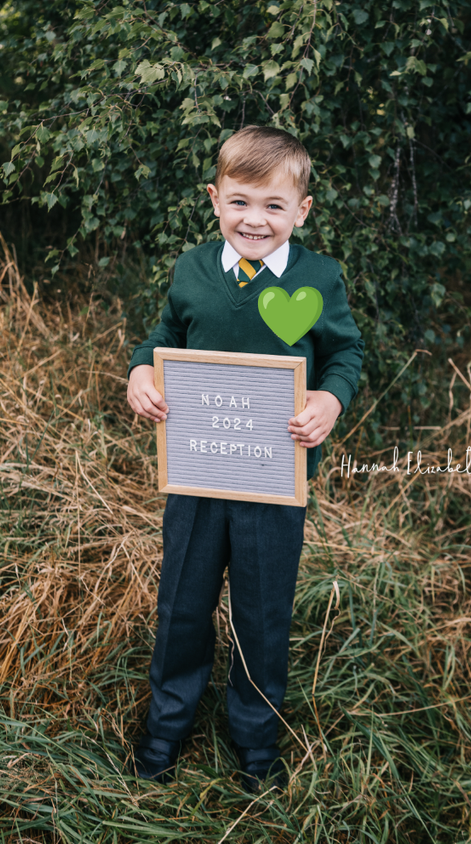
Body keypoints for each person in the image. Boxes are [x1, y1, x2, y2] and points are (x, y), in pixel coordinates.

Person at [127, 124, 364, 792]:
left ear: (302, 210)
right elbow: (164, 334)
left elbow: (347, 352)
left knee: (262, 612)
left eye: (272, 206)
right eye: (239, 202)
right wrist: (141, 374)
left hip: (273, 481)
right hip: (198, 473)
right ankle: (166, 730)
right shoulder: (194, 269)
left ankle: (256, 744)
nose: (253, 220)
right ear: (214, 198)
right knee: (181, 605)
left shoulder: (319, 278)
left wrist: (330, 398)